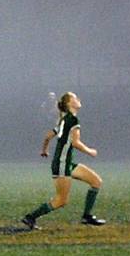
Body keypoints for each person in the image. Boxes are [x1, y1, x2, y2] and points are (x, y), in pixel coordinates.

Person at [21, 91, 105, 229]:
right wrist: (90, 151)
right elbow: (76, 143)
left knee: (96, 182)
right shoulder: (72, 120)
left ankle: (87, 216)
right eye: (74, 97)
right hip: (62, 164)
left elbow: (48, 136)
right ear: (69, 103)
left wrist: (44, 150)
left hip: (67, 163)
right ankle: (30, 217)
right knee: (61, 200)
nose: (78, 99)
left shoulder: (64, 120)